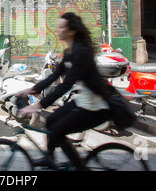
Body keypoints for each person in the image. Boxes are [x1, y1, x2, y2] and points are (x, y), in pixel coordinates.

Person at [18, 12, 112, 171]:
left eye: (61, 27)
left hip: (97, 105)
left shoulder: (81, 52)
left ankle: (80, 168)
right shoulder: (69, 52)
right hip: (85, 100)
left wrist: (37, 105)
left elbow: (66, 85)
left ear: (71, 31)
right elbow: (55, 75)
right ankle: (50, 158)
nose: (57, 30)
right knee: (50, 121)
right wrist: (31, 89)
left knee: (57, 131)